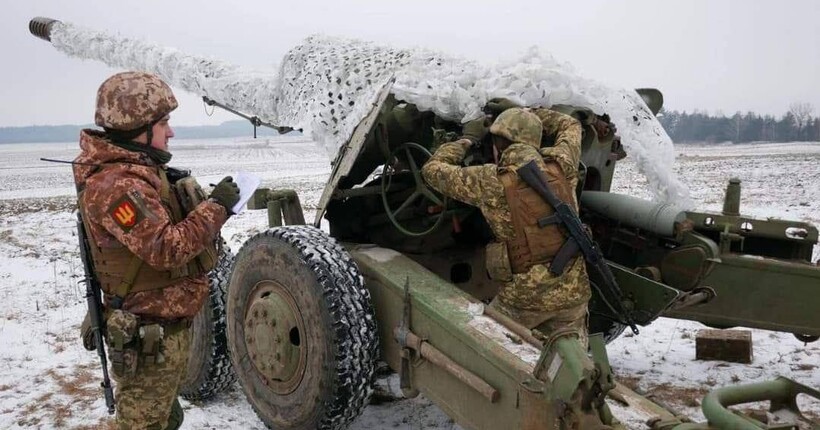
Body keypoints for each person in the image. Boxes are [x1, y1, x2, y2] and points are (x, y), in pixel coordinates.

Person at [73, 71, 240, 429]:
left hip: (162, 331)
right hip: (148, 335)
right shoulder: (117, 187)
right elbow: (167, 248)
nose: (171, 132)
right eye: (164, 122)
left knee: (165, 417)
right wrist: (217, 208)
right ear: (139, 127)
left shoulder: (139, 173)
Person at [421, 105, 591, 347]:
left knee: (483, 349)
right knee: (570, 365)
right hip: (574, 295)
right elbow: (571, 125)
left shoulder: (490, 181)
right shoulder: (563, 163)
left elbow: (432, 170)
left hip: (523, 301)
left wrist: (466, 141)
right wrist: (532, 114)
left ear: (496, 146)